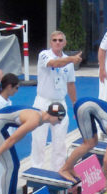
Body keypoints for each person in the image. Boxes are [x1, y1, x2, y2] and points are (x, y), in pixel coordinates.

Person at [0, 104, 67, 194]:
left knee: (16, 164)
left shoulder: (40, 117)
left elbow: (19, 135)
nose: (59, 122)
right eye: (60, 119)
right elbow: (11, 138)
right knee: (9, 166)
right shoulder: (35, 119)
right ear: (53, 115)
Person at [30, 30, 80, 171]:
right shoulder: (44, 55)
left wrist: (75, 104)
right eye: (54, 40)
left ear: (64, 43)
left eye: (60, 40)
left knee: (60, 140)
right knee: (38, 139)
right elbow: (54, 64)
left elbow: (70, 84)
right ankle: (36, 169)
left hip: (59, 103)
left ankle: (57, 171)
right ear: (51, 42)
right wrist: (71, 59)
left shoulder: (68, 61)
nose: (57, 42)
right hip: (43, 102)